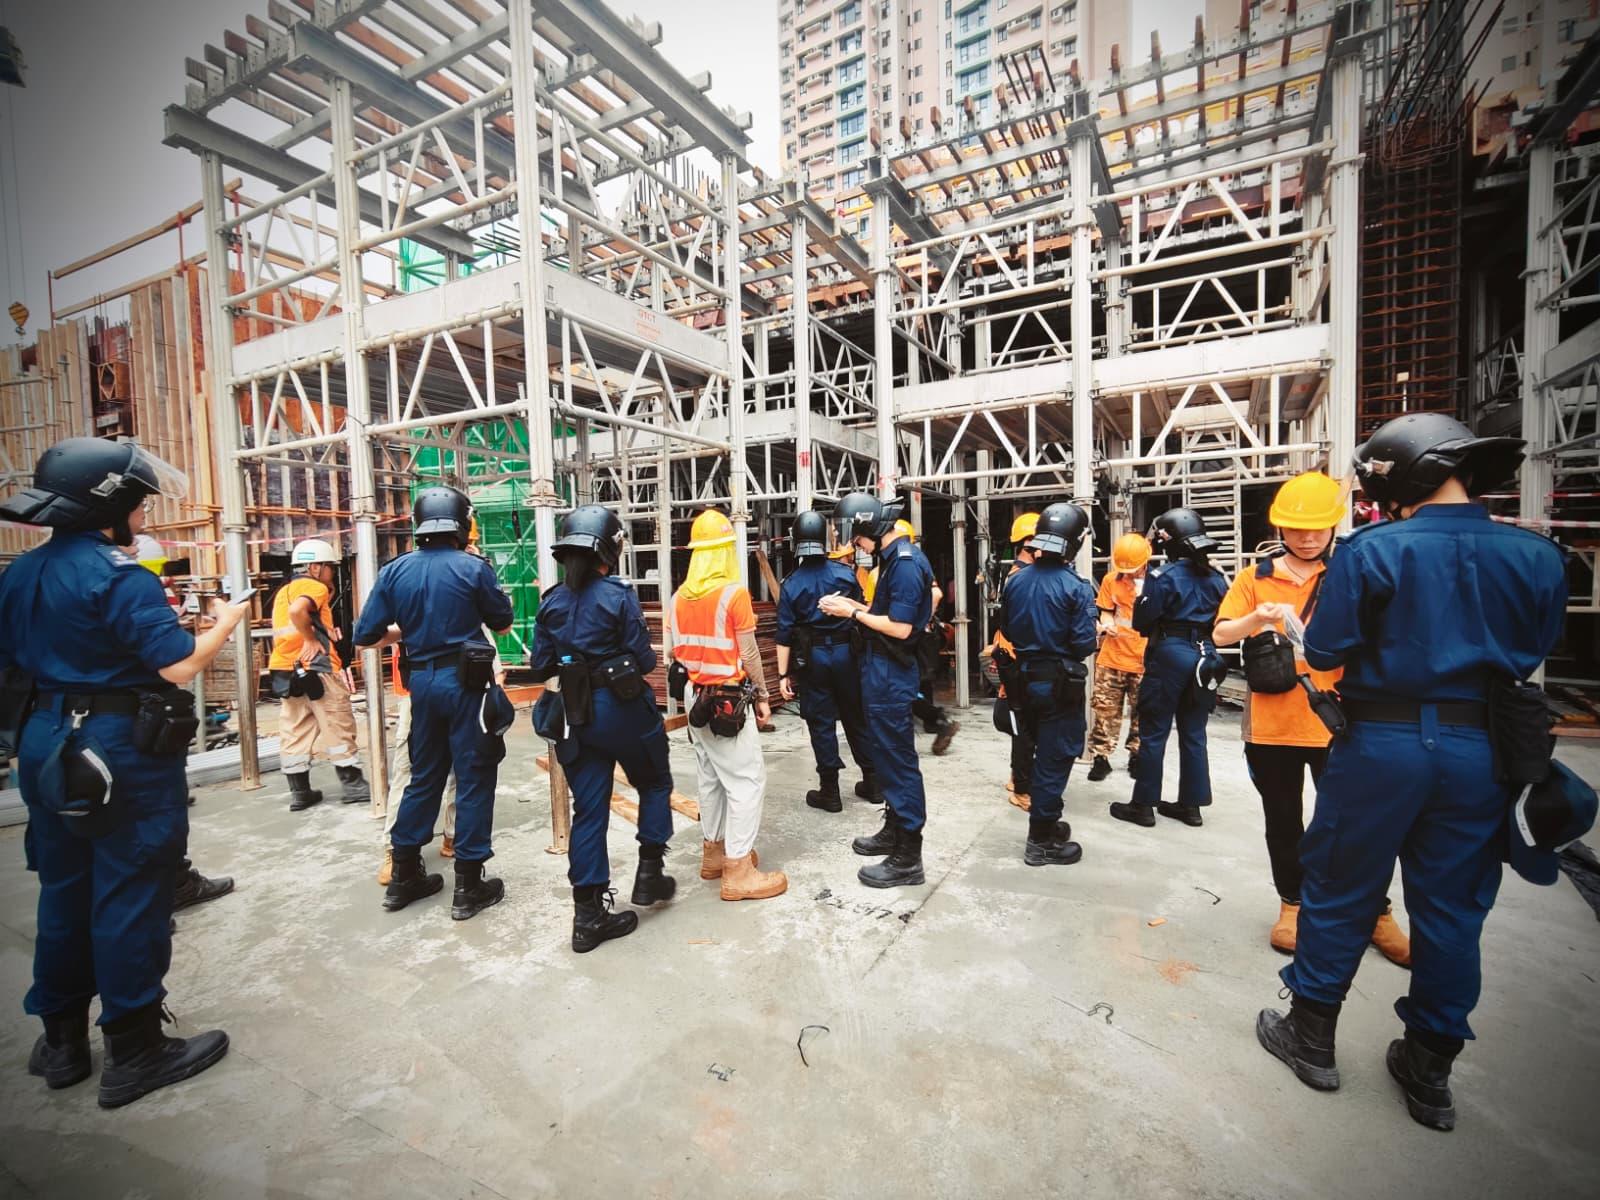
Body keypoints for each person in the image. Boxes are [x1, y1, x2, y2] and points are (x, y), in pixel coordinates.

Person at [1256, 415, 1567, 1133]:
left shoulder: (1373, 551)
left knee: (1339, 889)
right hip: (1480, 752)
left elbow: (1328, 646)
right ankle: (1429, 1071)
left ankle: (1311, 1041)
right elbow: (1529, 648)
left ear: (1399, 481)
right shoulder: (1539, 556)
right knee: (1454, 911)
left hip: (1381, 744)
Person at [0, 436, 242, 1107]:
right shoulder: (117, 575)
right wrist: (225, 621)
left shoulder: (18, 575)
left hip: (44, 742)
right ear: (110, 504)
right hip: (114, 747)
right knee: (131, 888)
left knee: (64, 890)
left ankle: (63, 1042)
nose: (144, 514)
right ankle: (135, 1048)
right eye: (138, 502)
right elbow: (180, 665)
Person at [1213, 472, 1411, 964]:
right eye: (1298, 529)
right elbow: (1220, 634)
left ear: (1332, 527)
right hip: (1273, 727)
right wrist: (1258, 618)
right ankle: (1293, 906)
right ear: (1280, 529)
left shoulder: (1353, 571)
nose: (1308, 537)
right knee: (1284, 822)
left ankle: (1375, 912)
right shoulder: (1253, 578)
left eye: (1318, 529)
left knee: (1356, 825)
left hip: (1340, 724)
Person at [353, 485, 514, 921]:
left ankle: (405, 874)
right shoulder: (473, 568)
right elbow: (501, 622)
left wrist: (414, 627)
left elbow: (364, 635)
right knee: (475, 775)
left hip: (421, 685)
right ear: (461, 524)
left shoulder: (394, 571)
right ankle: (469, 885)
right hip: (467, 685)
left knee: (425, 776)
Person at [530, 505, 681, 951]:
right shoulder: (618, 595)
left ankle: (588, 917)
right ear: (609, 549)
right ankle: (650, 874)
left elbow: (541, 665)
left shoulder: (551, 601)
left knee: (589, 811)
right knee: (654, 782)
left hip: (575, 717)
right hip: (623, 710)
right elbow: (647, 660)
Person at [670, 510, 788, 901]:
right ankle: (738, 870)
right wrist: (765, 697)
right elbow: (750, 653)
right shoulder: (733, 594)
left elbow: (674, 653)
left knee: (711, 776)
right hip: (727, 701)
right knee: (746, 781)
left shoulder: (677, 598)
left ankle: (715, 854)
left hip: (694, 696)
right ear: (724, 553)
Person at [820, 492, 932, 888]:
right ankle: (894, 829)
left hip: (890, 676)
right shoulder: (892, 559)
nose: (854, 544)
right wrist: (853, 606)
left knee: (898, 765)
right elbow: (890, 614)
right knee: (886, 758)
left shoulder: (903, 564)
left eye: (856, 535)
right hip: (879, 672)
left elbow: (901, 628)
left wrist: (851, 612)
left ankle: (909, 856)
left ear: (868, 527)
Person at [1110, 507, 1227, 829]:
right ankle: (1191, 807)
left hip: (1170, 654)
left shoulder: (1164, 578)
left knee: (1154, 733)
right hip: (1205, 654)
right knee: (1194, 733)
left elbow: (1142, 622)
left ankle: (1143, 806)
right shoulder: (1217, 578)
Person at [994, 503, 1098, 866]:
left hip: (1023, 679)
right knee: (1057, 755)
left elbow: (1006, 628)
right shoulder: (1076, 588)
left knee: (1036, 748)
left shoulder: (1017, 580)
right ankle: (1040, 841)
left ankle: (1047, 822)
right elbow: (1085, 643)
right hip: (1058, 683)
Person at [776, 510, 874, 813]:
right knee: (856, 717)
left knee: (821, 723)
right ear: (823, 539)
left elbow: (784, 635)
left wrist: (782, 676)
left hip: (814, 659)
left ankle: (830, 791)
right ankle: (874, 782)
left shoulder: (791, 584)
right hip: (848, 655)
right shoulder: (845, 574)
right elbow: (862, 615)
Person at [268, 538, 369, 810]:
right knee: (337, 722)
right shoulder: (313, 587)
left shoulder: (283, 591)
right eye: (329, 568)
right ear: (314, 567)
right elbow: (298, 611)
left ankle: (300, 792)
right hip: (318, 669)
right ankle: (353, 785)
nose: (332, 574)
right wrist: (311, 640)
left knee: (295, 728)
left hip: (285, 670)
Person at [984, 511, 1040, 810]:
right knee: (1023, 727)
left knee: (1025, 727)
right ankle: (1022, 788)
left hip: (1018, 659)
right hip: (1019, 661)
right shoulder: (1022, 576)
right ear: (1026, 543)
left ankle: (1018, 777)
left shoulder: (1021, 573)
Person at [1087, 532, 1150, 781]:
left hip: (1144, 659)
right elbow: (1105, 612)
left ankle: (1137, 755)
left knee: (1142, 711)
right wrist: (1106, 624)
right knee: (1104, 709)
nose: (1129, 573)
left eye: (1133, 569)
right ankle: (1101, 757)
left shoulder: (1159, 583)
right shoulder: (1111, 580)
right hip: (1112, 656)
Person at [895, 520, 961, 756]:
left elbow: (936, 594)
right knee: (919, 682)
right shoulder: (917, 563)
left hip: (909, 638)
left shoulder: (905, 565)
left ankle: (937, 720)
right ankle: (935, 722)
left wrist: (916, 623)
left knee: (903, 686)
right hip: (919, 636)